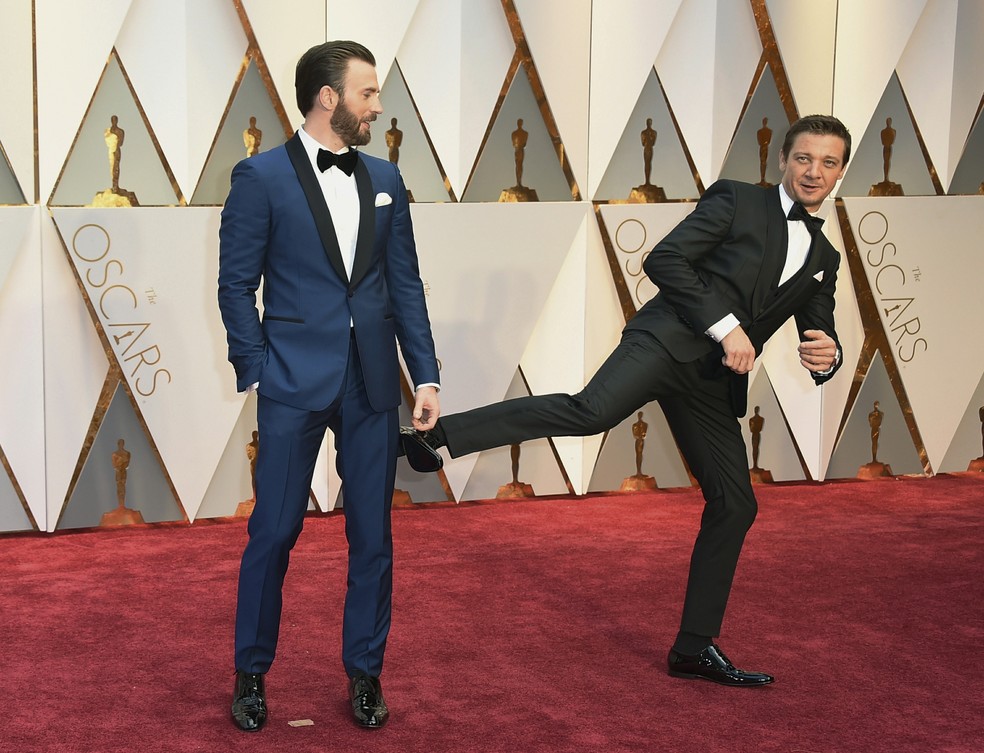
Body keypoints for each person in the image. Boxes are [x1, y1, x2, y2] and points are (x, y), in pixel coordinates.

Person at [403, 114, 850, 687]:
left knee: (736, 505)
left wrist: (827, 355)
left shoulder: (823, 260)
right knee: (589, 413)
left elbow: (821, 332)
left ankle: (693, 648)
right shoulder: (738, 200)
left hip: (712, 383)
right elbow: (665, 260)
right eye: (804, 159)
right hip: (665, 342)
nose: (814, 171)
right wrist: (727, 325)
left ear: (839, 172)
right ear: (784, 160)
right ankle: (438, 436)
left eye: (828, 162)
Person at [218, 40, 440, 732]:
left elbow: (404, 282)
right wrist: (257, 366)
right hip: (291, 377)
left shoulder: (386, 178)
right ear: (327, 97)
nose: (378, 104)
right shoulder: (259, 178)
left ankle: (365, 672)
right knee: (275, 530)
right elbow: (234, 285)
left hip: (372, 379)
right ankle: (251, 671)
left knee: (372, 534)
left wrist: (424, 373)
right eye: (368, 93)